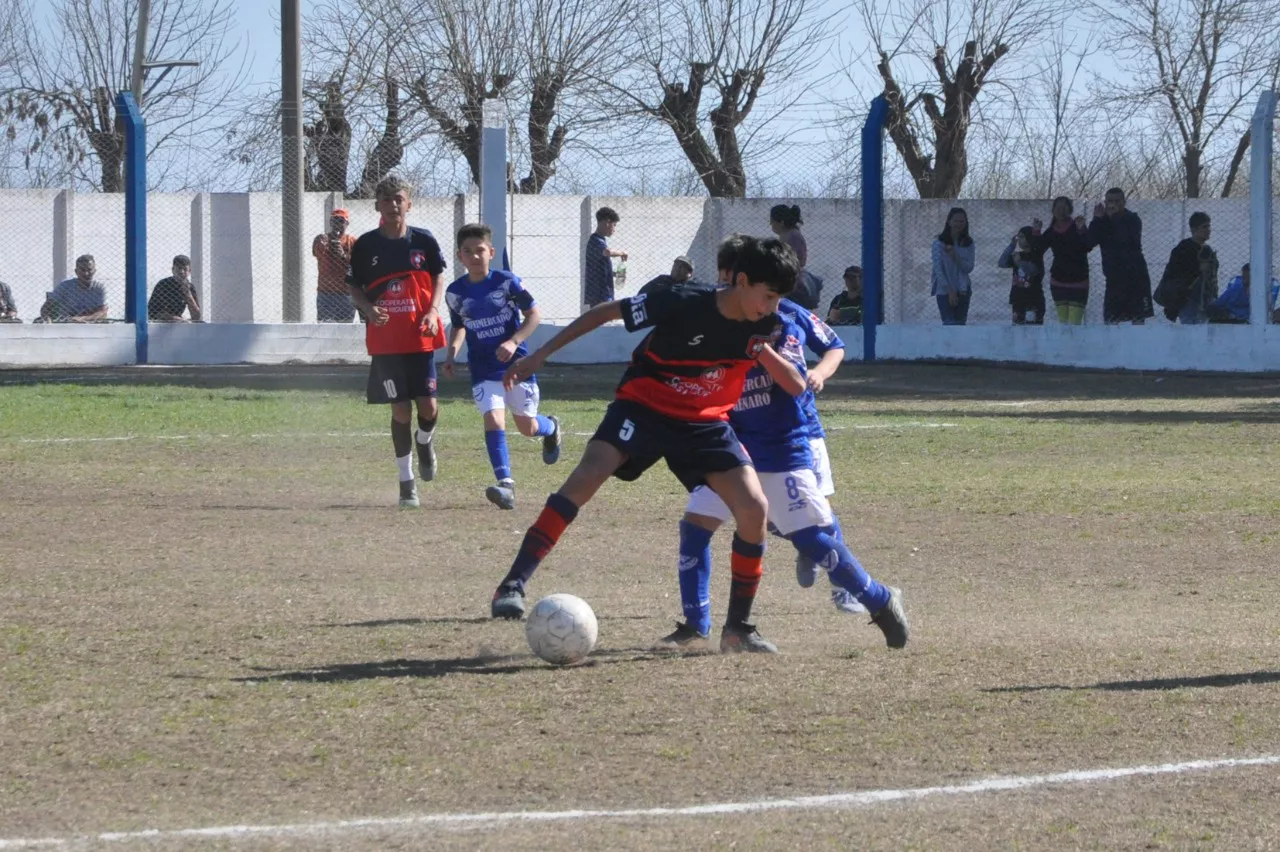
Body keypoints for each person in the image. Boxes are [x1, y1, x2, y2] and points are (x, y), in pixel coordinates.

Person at [489, 235, 803, 654]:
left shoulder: (767, 323)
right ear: (742, 281)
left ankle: (738, 629)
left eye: (779, 298)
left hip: (704, 422)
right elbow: (603, 312)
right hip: (644, 406)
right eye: (768, 295)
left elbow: (792, 381)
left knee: (754, 507)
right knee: (587, 476)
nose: (773, 306)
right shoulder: (681, 300)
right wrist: (540, 355)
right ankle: (512, 584)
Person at [662, 301, 908, 652]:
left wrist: (761, 350)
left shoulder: (781, 324)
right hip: (731, 448)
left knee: (811, 536)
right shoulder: (718, 320)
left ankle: (879, 600)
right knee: (695, 526)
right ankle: (694, 625)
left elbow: (796, 383)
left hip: (779, 449)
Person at [443, 223, 563, 510]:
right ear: (460, 256)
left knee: (527, 426)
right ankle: (506, 485)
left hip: (516, 366)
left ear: (491, 252)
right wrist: (451, 355)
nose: (474, 256)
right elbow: (459, 327)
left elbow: (533, 315)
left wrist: (514, 340)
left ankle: (552, 427)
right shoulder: (454, 293)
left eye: (480, 250)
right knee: (494, 420)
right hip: (482, 368)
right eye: (468, 252)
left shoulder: (507, 282)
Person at [346, 175, 449, 509]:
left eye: (399, 198)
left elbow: (438, 276)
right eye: (386, 199)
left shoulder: (424, 241)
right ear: (377, 205)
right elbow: (355, 288)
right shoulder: (365, 245)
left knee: (429, 408)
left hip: (419, 336)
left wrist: (433, 310)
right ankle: (407, 484)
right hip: (387, 343)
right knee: (401, 409)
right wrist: (367, 307)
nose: (393, 205)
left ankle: (425, 441)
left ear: (409, 204)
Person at [1088, 188, 1154, 324]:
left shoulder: (1133, 219)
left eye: (1117, 201)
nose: (1113, 205)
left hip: (1135, 277)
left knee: (1138, 319)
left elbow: (1126, 239)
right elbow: (1089, 243)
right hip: (1114, 279)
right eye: (1109, 201)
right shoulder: (1102, 221)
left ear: (1124, 202)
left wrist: (1115, 217)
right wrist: (1096, 220)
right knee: (1111, 320)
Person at [1032, 197, 1093, 325]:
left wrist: (1082, 229)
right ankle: (1064, 345)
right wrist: (1036, 232)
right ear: (1053, 210)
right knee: (1063, 324)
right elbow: (1037, 250)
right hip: (1058, 282)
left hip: (1079, 282)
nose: (1061, 210)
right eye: (1058, 207)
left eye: (1064, 207)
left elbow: (1088, 246)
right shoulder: (1051, 231)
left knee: (1074, 324)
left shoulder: (1077, 226)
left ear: (1070, 209)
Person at [1154, 212, 1216, 324]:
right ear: (1194, 229)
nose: (1208, 229)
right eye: (1204, 227)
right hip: (1188, 300)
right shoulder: (1183, 249)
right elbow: (1174, 276)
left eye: (1209, 226)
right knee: (1190, 332)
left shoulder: (1208, 250)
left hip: (1206, 299)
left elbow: (1212, 277)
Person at [931, 207, 974, 325]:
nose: (959, 224)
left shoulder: (968, 243)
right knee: (949, 325)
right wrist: (950, 291)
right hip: (944, 290)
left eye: (962, 221)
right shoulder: (938, 243)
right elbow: (938, 270)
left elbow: (968, 268)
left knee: (960, 326)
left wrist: (955, 256)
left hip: (963, 289)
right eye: (956, 220)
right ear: (949, 222)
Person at [314, 208, 357, 322]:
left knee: (345, 328)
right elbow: (316, 252)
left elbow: (360, 263)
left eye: (341, 220)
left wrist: (343, 255)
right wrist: (320, 243)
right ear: (330, 223)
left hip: (346, 293)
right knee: (324, 328)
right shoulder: (322, 239)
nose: (337, 223)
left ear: (347, 223)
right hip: (326, 292)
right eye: (335, 220)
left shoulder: (352, 241)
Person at [998, 226, 1046, 325]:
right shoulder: (1018, 255)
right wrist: (1011, 246)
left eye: (1022, 237)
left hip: (1033, 300)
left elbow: (1033, 271)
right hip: (1018, 299)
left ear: (1030, 238)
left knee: (1032, 329)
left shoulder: (1036, 255)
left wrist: (1019, 263)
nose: (1019, 239)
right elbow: (1001, 263)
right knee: (1017, 329)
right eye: (1018, 237)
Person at [39, 255, 106, 323]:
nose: (86, 273)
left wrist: (81, 319)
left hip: (90, 325)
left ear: (94, 271)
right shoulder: (64, 286)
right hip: (66, 325)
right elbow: (46, 307)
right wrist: (47, 320)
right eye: (82, 270)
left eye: (89, 270)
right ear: (76, 271)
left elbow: (102, 313)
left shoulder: (98, 288)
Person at [1206, 263, 1279, 324]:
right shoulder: (1234, 290)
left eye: (1248, 277)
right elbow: (1217, 304)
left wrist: (1234, 315)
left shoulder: (1263, 294)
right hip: (1228, 320)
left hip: (1248, 322)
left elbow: (1264, 313)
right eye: (1244, 277)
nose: (1245, 279)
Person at [584, 207, 626, 308]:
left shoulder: (601, 241)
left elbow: (599, 267)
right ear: (607, 222)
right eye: (614, 225)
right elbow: (607, 252)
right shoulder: (595, 241)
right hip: (598, 292)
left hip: (603, 290)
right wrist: (622, 253)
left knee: (603, 320)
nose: (614, 230)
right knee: (601, 319)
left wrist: (616, 274)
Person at [147, 255, 202, 323]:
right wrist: (174, 318)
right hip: (159, 322)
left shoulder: (190, 287)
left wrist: (188, 295)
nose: (181, 272)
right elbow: (153, 312)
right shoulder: (163, 284)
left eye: (185, 269)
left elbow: (196, 317)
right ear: (173, 269)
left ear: (189, 271)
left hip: (178, 322)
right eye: (179, 268)